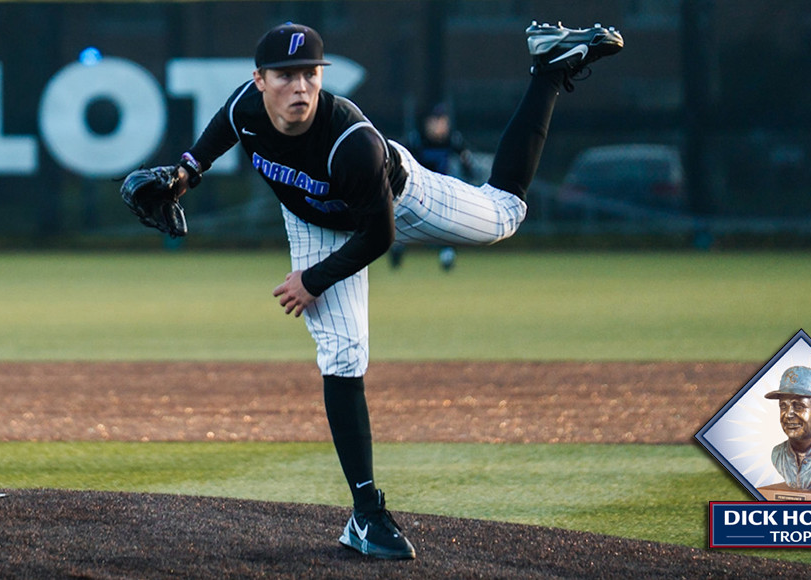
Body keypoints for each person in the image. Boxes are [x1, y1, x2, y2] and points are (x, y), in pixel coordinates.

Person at [172, 20, 623, 560]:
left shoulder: (350, 141)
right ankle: (365, 515)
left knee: (505, 216)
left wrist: (312, 280)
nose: (299, 87)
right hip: (316, 223)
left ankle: (548, 70)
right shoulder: (245, 106)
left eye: (309, 73)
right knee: (343, 354)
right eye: (285, 75)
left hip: (397, 203)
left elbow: (379, 235)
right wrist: (185, 174)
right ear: (259, 80)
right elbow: (224, 125)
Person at [390, 103, 476, 271]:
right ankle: (397, 248)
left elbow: (468, 163)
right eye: (434, 121)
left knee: (446, 222)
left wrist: (468, 176)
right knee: (404, 220)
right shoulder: (416, 139)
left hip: (440, 191)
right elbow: (398, 159)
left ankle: (447, 254)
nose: (438, 125)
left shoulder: (453, 139)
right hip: (416, 190)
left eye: (442, 121)